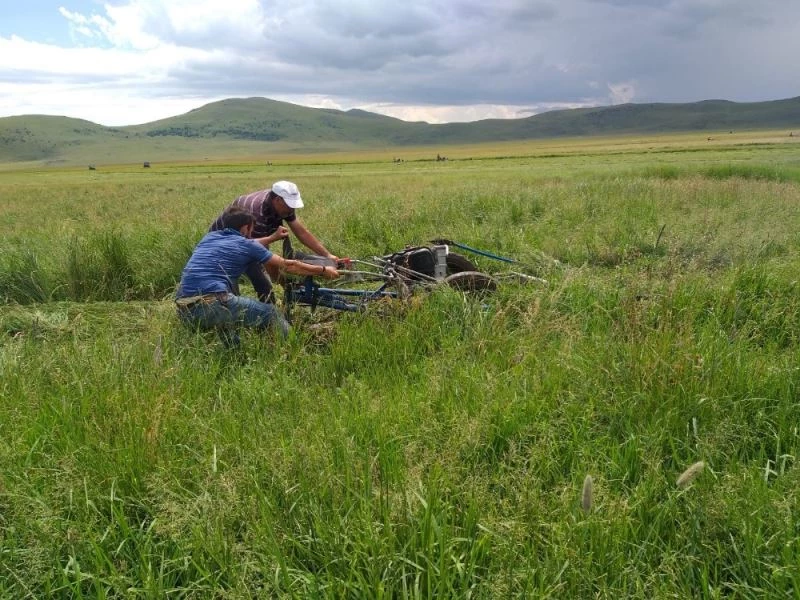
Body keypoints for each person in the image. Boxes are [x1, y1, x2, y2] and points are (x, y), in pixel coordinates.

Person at [177, 206, 339, 346]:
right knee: (271, 313)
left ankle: (235, 357)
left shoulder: (209, 238)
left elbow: (248, 245)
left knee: (229, 324)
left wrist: (272, 238)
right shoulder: (246, 245)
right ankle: (294, 348)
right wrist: (323, 270)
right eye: (251, 229)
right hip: (212, 304)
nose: (251, 233)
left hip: (184, 310)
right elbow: (289, 265)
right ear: (245, 228)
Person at [209, 180, 337, 302]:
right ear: (277, 200)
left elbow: (301, 232)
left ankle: (268, 308)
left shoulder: (282, 205)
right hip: (221, 247)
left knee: (264, 282)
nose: (291, 210)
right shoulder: (256, 214)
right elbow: (264, 258)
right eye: (289, 206)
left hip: (245, 241)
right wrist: (285, 283)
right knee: (251, 279)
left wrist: (327, 255)